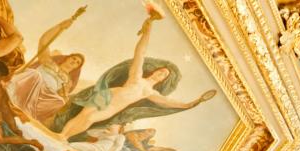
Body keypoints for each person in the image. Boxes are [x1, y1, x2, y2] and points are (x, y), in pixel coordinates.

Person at [57, 13, 215, 139]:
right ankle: (61, 135)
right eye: (160, 71)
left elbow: (171, 103)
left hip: (113, 107)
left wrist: (191, 104)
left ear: (162, 80)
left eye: (164, 75)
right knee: (84, 114)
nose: (160, 73)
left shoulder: (152, 93)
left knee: (90, 119)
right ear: (154, 71)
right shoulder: (137, 76)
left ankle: (65, 136)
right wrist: (148, 30)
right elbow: (140, 52)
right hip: (106, 95)